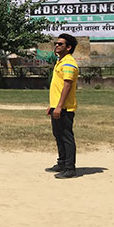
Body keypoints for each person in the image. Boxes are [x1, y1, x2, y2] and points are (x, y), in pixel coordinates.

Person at [45, 33, 80, 179]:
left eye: (60, 44)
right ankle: (62, 162)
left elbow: (67, 85)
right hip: (57, 106)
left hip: (65, 108)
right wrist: (52, 106)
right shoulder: (61, 61)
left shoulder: (69, 63)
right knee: (58, 135)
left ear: (69, 47)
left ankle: (70, 168)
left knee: (66, 136)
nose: (56, 46)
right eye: (56, 43)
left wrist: (59, 106)